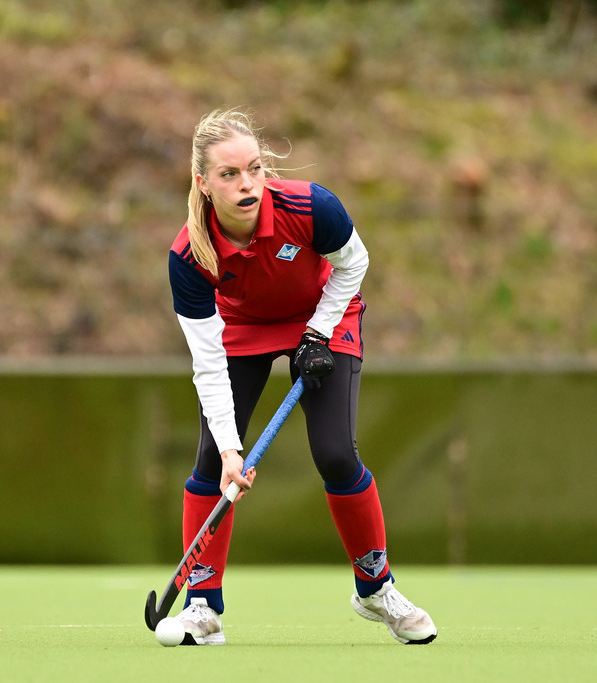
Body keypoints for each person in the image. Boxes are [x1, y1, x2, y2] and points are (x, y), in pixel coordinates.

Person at [166, 108, 436, 645]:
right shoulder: (189, 256)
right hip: (241, 327)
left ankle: (375, 588)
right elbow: (207, 360)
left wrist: (317, 331)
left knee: (335, 453)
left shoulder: (311, 207)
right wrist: (231, 451)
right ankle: (203, 605)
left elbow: (353, 264)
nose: (247, 184)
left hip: (324, 311)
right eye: (229, 175)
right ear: (203, 183)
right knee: (210, 461)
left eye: (254, 168)